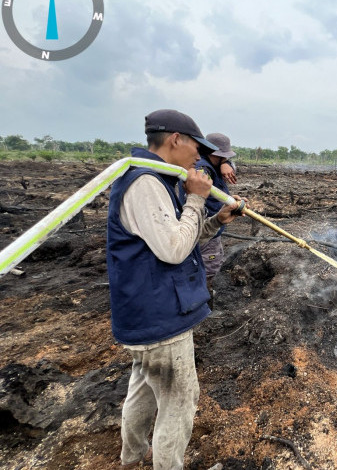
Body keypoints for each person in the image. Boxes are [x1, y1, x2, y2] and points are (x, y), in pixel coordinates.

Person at [106, 109, 244, 469]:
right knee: (180, 401)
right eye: (196, 147)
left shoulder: (160, 179)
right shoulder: (146, 183)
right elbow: (172, 251)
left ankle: (131, 458)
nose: (199, 156)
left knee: (144, 389)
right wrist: (197, 199)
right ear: (175, 140)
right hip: (160, 316)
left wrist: (215, 220)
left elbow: (182, 239)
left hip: (149, 315)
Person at [193, 133, 238, 302]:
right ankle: (204, 305)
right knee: (208, 268)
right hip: (206, 228)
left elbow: (232, 167)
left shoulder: (214, 165)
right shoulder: (202, 171)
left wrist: (225, 162)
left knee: (210, 263)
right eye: (223, 157)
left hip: (211, 227)